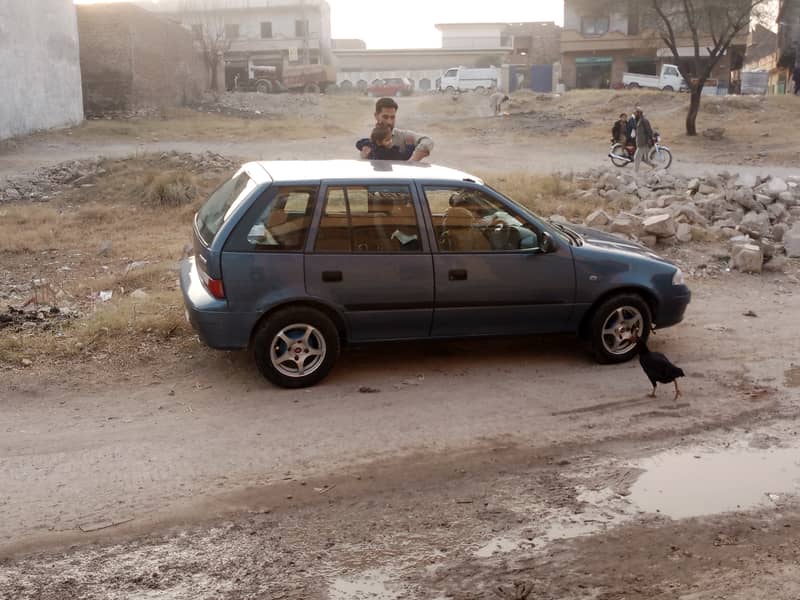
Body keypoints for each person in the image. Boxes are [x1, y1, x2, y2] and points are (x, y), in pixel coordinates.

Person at [358, 97, 434, 161]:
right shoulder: (369, 140)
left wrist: (413, 160)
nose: (389, 122)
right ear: (376, 116)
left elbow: (428, 141)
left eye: (392, 117)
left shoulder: (403, 136)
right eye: (385, 117)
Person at [633, 105, 655, 173]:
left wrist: (650, 140)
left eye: (636, 112)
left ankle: (635, 172)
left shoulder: (644, 121)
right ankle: (655, 166)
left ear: (639, 113)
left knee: (636, 157)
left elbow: (649, 131)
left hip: (643, 143)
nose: (634, 114)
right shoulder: (638, 120)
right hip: (640, 142)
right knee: (645, 159)